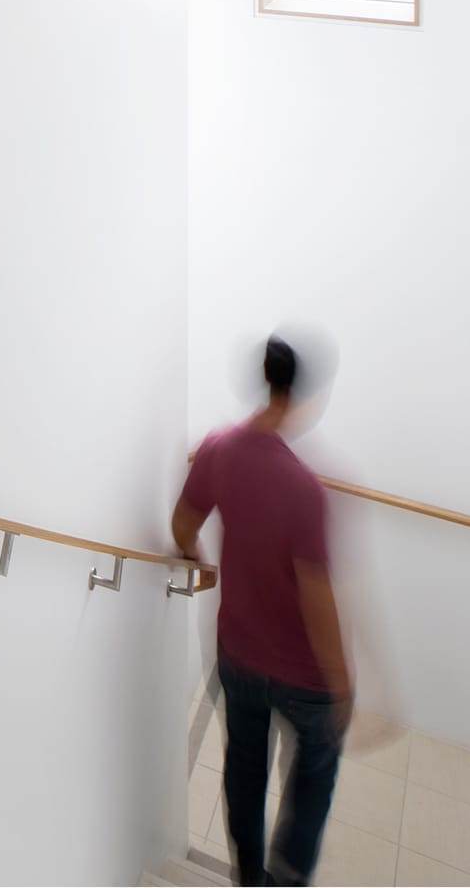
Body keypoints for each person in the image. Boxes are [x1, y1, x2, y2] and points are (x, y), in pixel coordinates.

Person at [172, 336, 351, 887]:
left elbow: (183, 525)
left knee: (244, 771)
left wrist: (199, 561)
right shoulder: (304, 488)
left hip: (238, 654)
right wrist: (342, 683)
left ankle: (250, 877)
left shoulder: (218, 449)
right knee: (314, 774)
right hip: (302, 675)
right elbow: (317, 598)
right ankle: (288, 879)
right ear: (303, 397)